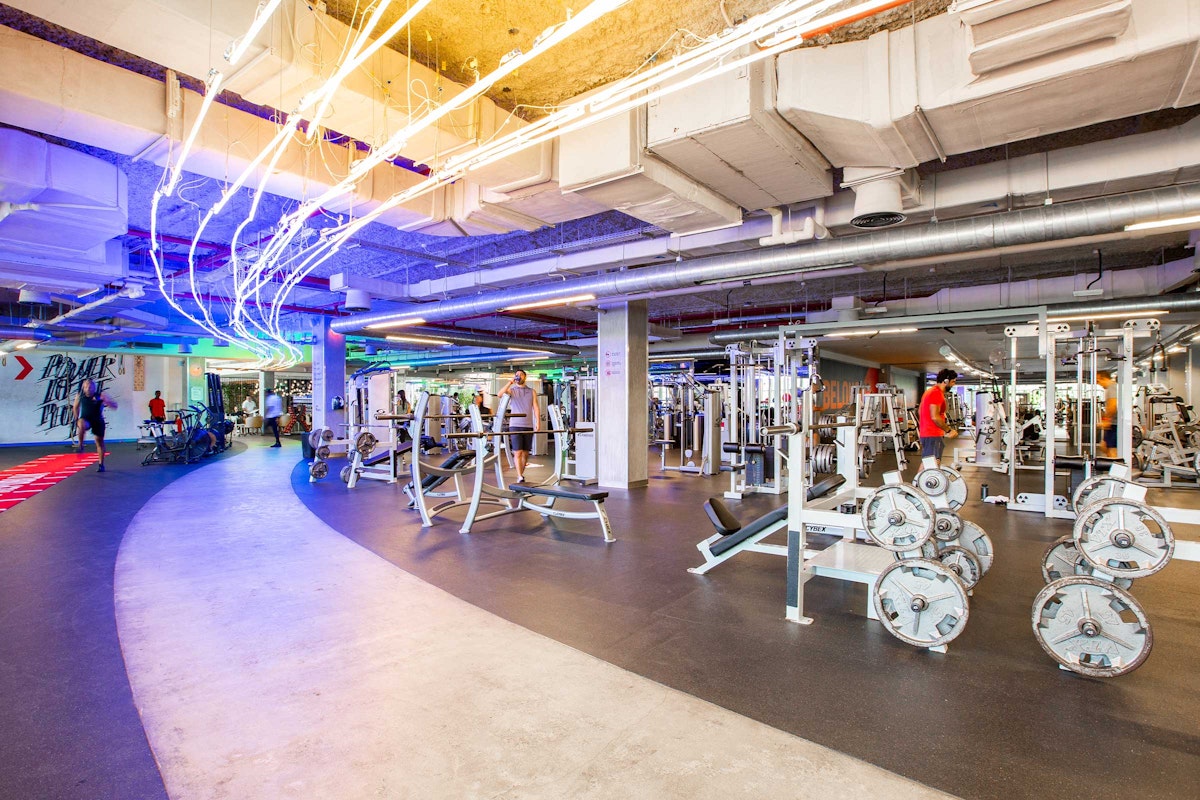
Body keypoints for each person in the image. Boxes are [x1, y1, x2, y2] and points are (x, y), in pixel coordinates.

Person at [499, 369, 539, 482]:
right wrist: (509, 382)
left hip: (528, 425)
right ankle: (519, 475)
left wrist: (538, 422)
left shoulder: (532, 391)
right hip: (515, 425)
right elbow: (500, 394)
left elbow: (535, 407)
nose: (518, 376)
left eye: (521, 375)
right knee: (518, 452)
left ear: (525, 377)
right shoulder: (512, 391)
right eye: (516, 375)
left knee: (525, 453)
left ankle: (521, 473)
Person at [74, 379, 118, 472]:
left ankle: (101, 464)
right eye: (86, 387)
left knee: (99, 442)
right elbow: (75, 407)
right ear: (83, 387)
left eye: (90, 386)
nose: (88, 388)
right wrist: (76, 419)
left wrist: (106, 401)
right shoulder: (79, 396)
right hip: (86, 419)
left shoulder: (100, 395)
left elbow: (114, 406)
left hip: (98, 421)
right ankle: (80, 445)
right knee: (81, 423)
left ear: (94, 387)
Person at [918, 368, 958, 466]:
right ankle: (920, 481)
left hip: (928, 433)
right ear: (946, 381)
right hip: (932, 434)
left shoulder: (929, 391)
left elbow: (920, 411)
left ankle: (916, 481)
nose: (954, 385)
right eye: (953, 382)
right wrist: (949, 430)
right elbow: (935, 417)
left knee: (928, 463)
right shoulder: (936, 393)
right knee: (931, 464)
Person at [1098, 371, 1119, 457]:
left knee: (1111, 449)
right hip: (1113, 424)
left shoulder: (1112, 387)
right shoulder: (1112, 387)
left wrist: (1106, 420)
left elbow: (1113, 406)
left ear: (1104, 378)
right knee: (1104, 446)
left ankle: (1115, 469)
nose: (1099, 384)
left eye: (1098, 381)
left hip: (1115, 424)